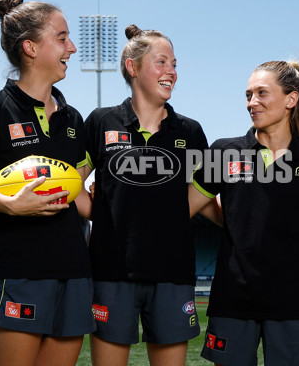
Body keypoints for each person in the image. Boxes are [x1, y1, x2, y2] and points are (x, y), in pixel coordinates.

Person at [0, 0, 94, 366]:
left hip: (74, 273)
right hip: (18, 272)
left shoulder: (73, 119)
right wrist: (10, 203)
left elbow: (80, 192)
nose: (71, 47)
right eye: (61, 38)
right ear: (30, 47)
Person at [189, 60, 299, 365]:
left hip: (293, 302)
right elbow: (187, 205)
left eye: (261, 93)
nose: (251, 103)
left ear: (290, 99)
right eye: (248, 95)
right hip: (233, 300)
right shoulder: (223, 151)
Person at [82, 24, 208, 366]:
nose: (171, 72)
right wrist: (100, 211)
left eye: (174, 64)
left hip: (173, 272)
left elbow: (208, 195)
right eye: (161, 62)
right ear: (132, 67)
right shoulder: (100, 121)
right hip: (111, 272)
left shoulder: (191, 131)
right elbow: (69, 184)